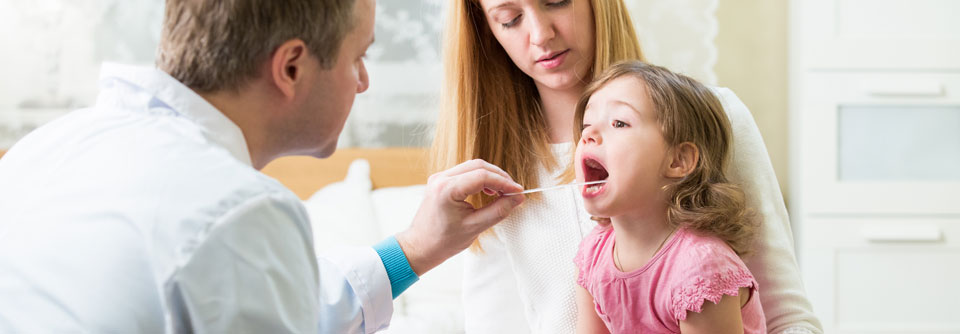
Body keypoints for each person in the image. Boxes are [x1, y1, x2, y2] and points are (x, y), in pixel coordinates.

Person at [0, 0, 525, 332]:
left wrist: (414, 248)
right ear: (291, 66)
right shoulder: (238, 210)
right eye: (356, 58)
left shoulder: (43, 149)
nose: (363, 82)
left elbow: (294, 310)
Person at [431, 0, 823, 333]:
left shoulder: (713, 119)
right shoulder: (493, 172)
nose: (540, 34)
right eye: (510, 19)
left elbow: (788, 316)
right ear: (487, 33)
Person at [571, 61, 764, 333]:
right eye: (586, 125)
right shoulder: (594, 254)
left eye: (619, 123)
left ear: (678, 160)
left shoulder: (700, 268)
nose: (588, 135)